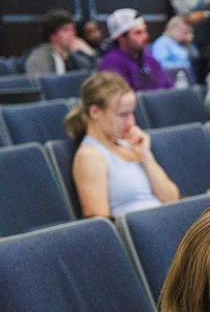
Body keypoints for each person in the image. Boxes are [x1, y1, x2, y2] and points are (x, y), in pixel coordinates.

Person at [64, 72, 179, 218]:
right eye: (123, 115)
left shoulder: (130, 145)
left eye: (132, 113)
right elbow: (101, 224)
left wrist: (146, 157)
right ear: (95, 112)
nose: (131, 122)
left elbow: (172, 199)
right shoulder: (90, 156)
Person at [97, 9, 174, 92]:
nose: (146, 36)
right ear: (120, 37)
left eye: (145, 31)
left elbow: (169, 89)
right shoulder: (111, 63)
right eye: (138, 33)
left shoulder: (149, 59)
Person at [24, 9, 95, 76]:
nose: (72, 34)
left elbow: (90, 75)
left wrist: (88, 50)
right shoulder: (39, 58)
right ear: (52, 35)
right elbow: (43, 86)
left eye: (73, 29)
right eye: (66, 30)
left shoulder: (70, 56)